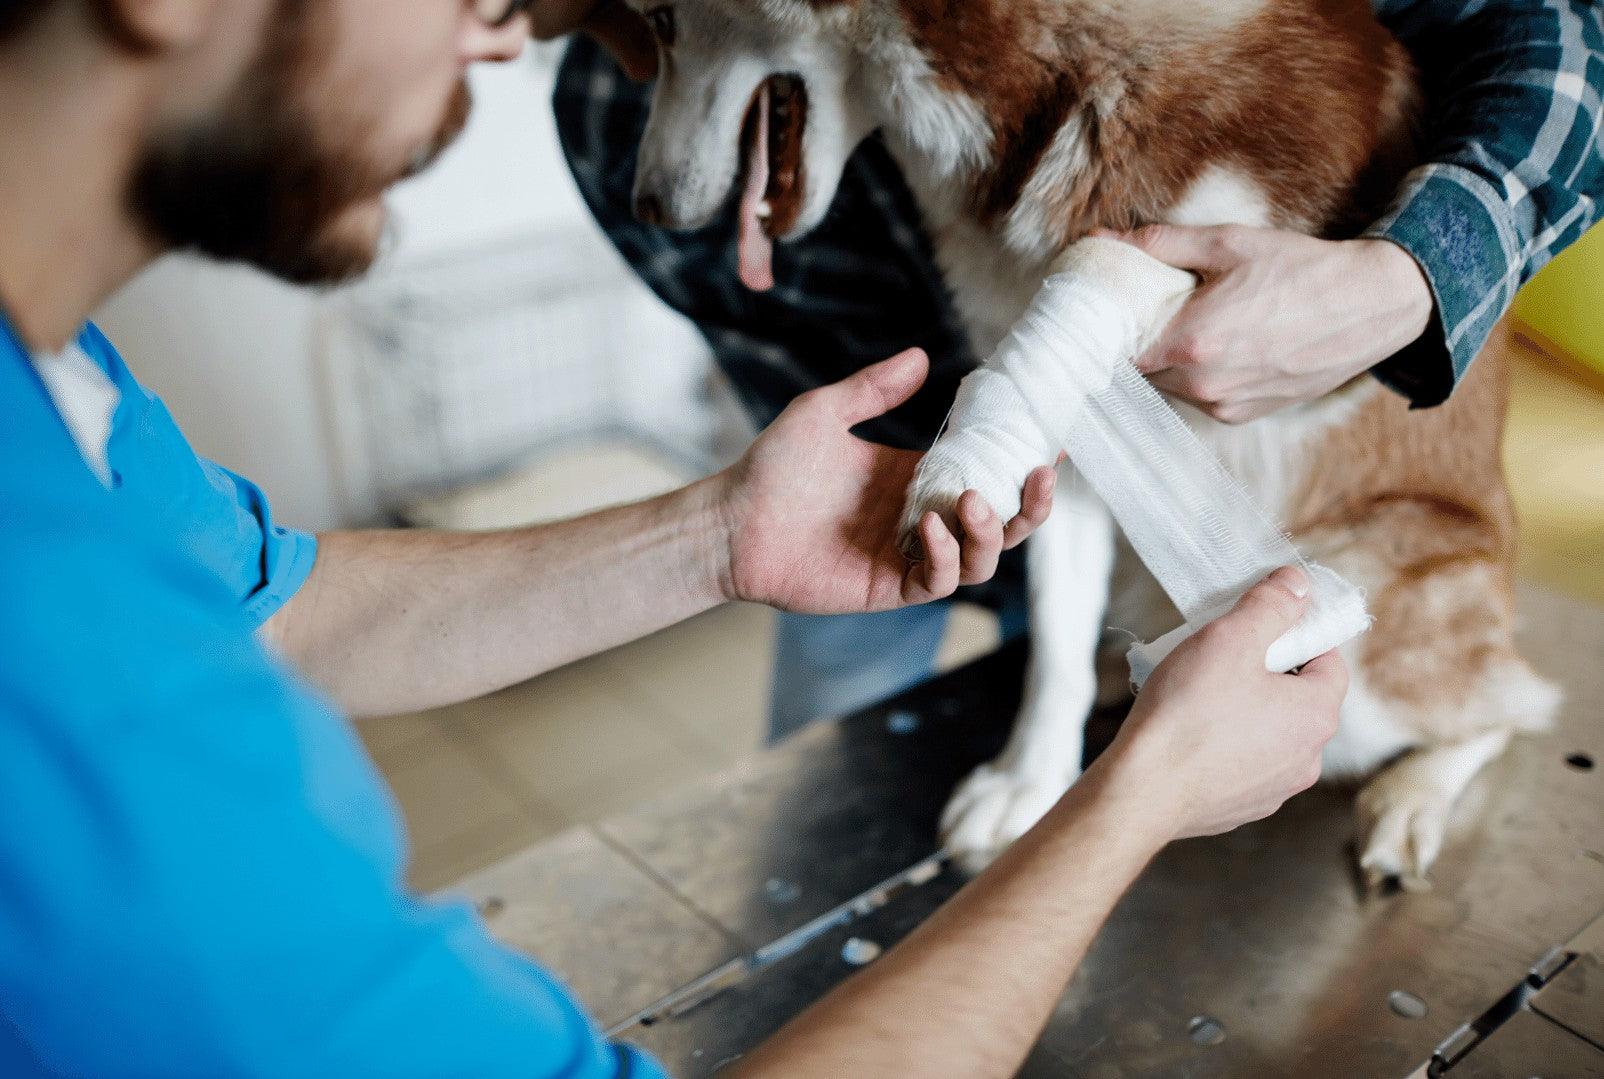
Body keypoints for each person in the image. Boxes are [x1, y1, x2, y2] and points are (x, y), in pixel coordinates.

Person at [0, 1, 1349, 1075]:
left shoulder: (62, 399)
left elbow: (276, 606)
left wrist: (719, 533)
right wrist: (1142, 790)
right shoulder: (67, 663)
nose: (501, 25)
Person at [548, 0, 1604, 738]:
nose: (635, 62)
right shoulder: (599, 122)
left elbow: (1549, 29)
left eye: (658, 21)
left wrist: (1412, 277)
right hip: (905, 504)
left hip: (1249, 511)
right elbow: (786, 360)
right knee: (845, 751)